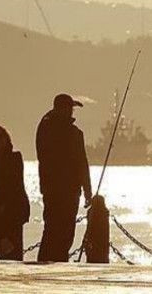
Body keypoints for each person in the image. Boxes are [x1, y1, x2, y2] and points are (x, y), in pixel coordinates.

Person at [36, 93, 92, 263]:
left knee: (56, 229)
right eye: (69, 108)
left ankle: (52, 259)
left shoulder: (45, 127)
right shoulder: (71, 133)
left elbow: (81, 163)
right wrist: (87, 191)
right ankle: (55, 260)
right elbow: (82, 163)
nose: (71, 112)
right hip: (64, 190)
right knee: (60, 229)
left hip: (56, 188)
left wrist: (86, 190)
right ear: (61, 108)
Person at [0, 125, 30, 261]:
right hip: (0, 205)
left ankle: (2, 243)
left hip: (16, 203)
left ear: (6, 139)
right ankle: (2, 243)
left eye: (1, 136)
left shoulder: (15, 158)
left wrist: (2, 203)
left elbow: (15, 186)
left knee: (0, 215)